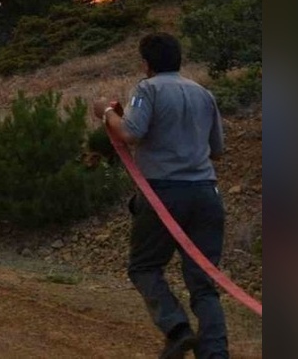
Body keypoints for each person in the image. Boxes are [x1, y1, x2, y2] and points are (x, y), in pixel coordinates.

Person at [93, 32, 229, 359]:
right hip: (206, 195)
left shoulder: (147, 88)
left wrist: (105, 113)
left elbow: (129, 132)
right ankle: (215, 353)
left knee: (143, 267)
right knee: (204, 282)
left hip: (163, 195)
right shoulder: (203, 93)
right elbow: (218, 150)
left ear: (146, 63)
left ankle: (177, 329)